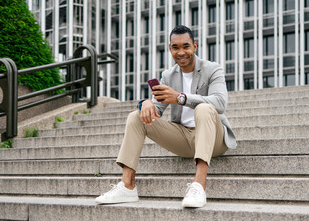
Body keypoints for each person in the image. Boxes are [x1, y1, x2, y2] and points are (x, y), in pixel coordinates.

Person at [95, 25, 236, 208]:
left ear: (195, 46)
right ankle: (128, 186)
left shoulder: (212, 69)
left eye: (186, 46)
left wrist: (180, 98)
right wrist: (145, 103)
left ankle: (198, 186)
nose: (181, 52)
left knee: (204, 108)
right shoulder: (168, 76)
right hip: (183, 138)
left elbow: (220, 103)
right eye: (175, 47)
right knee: (135, 117)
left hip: (215, 140)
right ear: (170, 48)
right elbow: (156, 108)